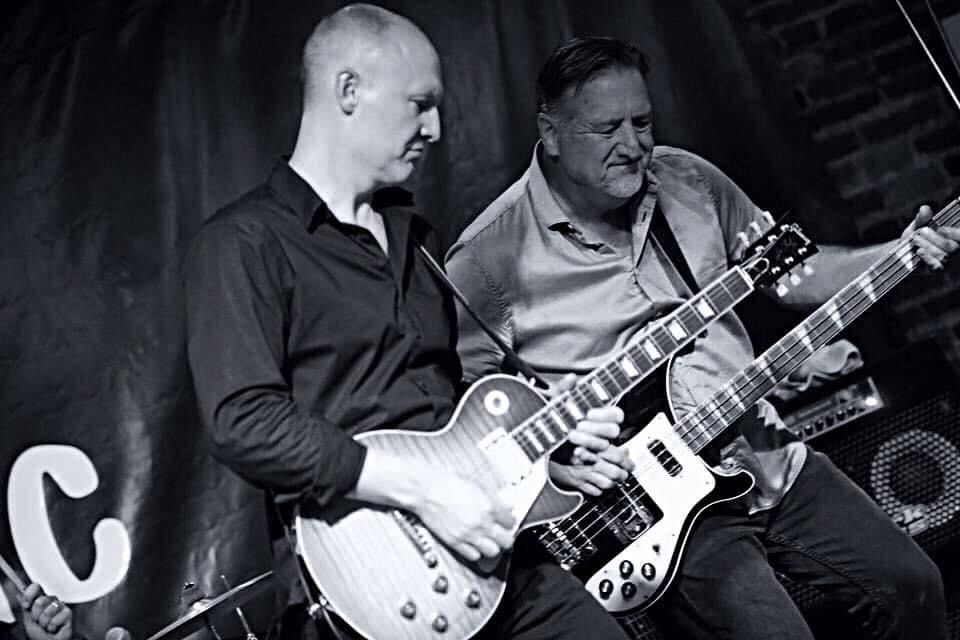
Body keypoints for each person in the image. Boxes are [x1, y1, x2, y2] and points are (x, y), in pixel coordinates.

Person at [445, 36, 960, 640]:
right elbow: (471, 413)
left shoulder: (688, 179)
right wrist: (559, 457)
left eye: (642, 122)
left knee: (912, 586)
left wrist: (897, 252)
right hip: (652, 510)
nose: (633, 145)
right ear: (550, 133)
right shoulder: (486, 259)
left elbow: (793, 273)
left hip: (760, 449)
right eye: (607, 128)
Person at [183, 7, 631, 640]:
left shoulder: (414, 238)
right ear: (348, 90)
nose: (436, 128)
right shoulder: (244, 242)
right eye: (420, 104)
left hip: (499, 558)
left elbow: (446, 419)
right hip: (375, 581)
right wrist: (425, 492)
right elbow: (244, 421)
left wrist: (541, 461)